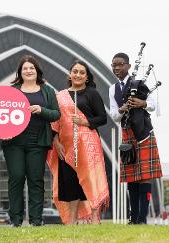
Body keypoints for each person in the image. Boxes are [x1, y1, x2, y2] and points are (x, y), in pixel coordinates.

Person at [47, 60, 109, 225]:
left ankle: (95, 218)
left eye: (82, 72)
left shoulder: (92, 93)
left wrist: (85, 122)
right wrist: (56, 141)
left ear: (87, 77)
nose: (78, 75)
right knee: (70, 183)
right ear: (70, 74)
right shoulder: (60, 96)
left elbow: (102, 118)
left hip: (88, 145)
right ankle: (72, 220)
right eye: (75, 71)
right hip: (65, 146)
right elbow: (54, 122)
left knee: (91, 180)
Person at [2, 55, 60, 227]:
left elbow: (56, 114)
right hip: (14, 142)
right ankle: (16, 220)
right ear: (20, 72)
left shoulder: (47, 91)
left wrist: (41, 110)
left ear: (37, 71)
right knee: (16, 178)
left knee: (36, 179)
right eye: (25, 68)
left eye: (31, 68)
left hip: (38, 142)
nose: (28, 71)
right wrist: (3, 133)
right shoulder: (11, 90)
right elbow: (1, 117)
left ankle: (36, 220)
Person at [109, 53, 162, 224]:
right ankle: (133, 218)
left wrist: (142, 103)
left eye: (120, 64)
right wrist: (123, 109)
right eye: (114, 65)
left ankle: (142, 218)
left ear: (129, 66)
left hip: (144, 133)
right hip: (127, 134)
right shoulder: (113, 89)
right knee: (131, 177)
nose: (117, 68)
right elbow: (114, 116)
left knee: (145, 176)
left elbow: (154, 105)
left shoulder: (140, 83)